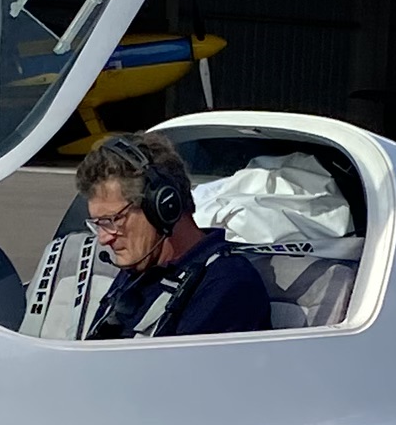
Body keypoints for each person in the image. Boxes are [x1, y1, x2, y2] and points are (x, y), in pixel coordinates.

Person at [76, 132, 271, 339]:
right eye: (99, 224)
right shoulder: (137, 272)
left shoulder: (227, 285)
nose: (104, 238)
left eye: (112, 221)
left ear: (163, 207)